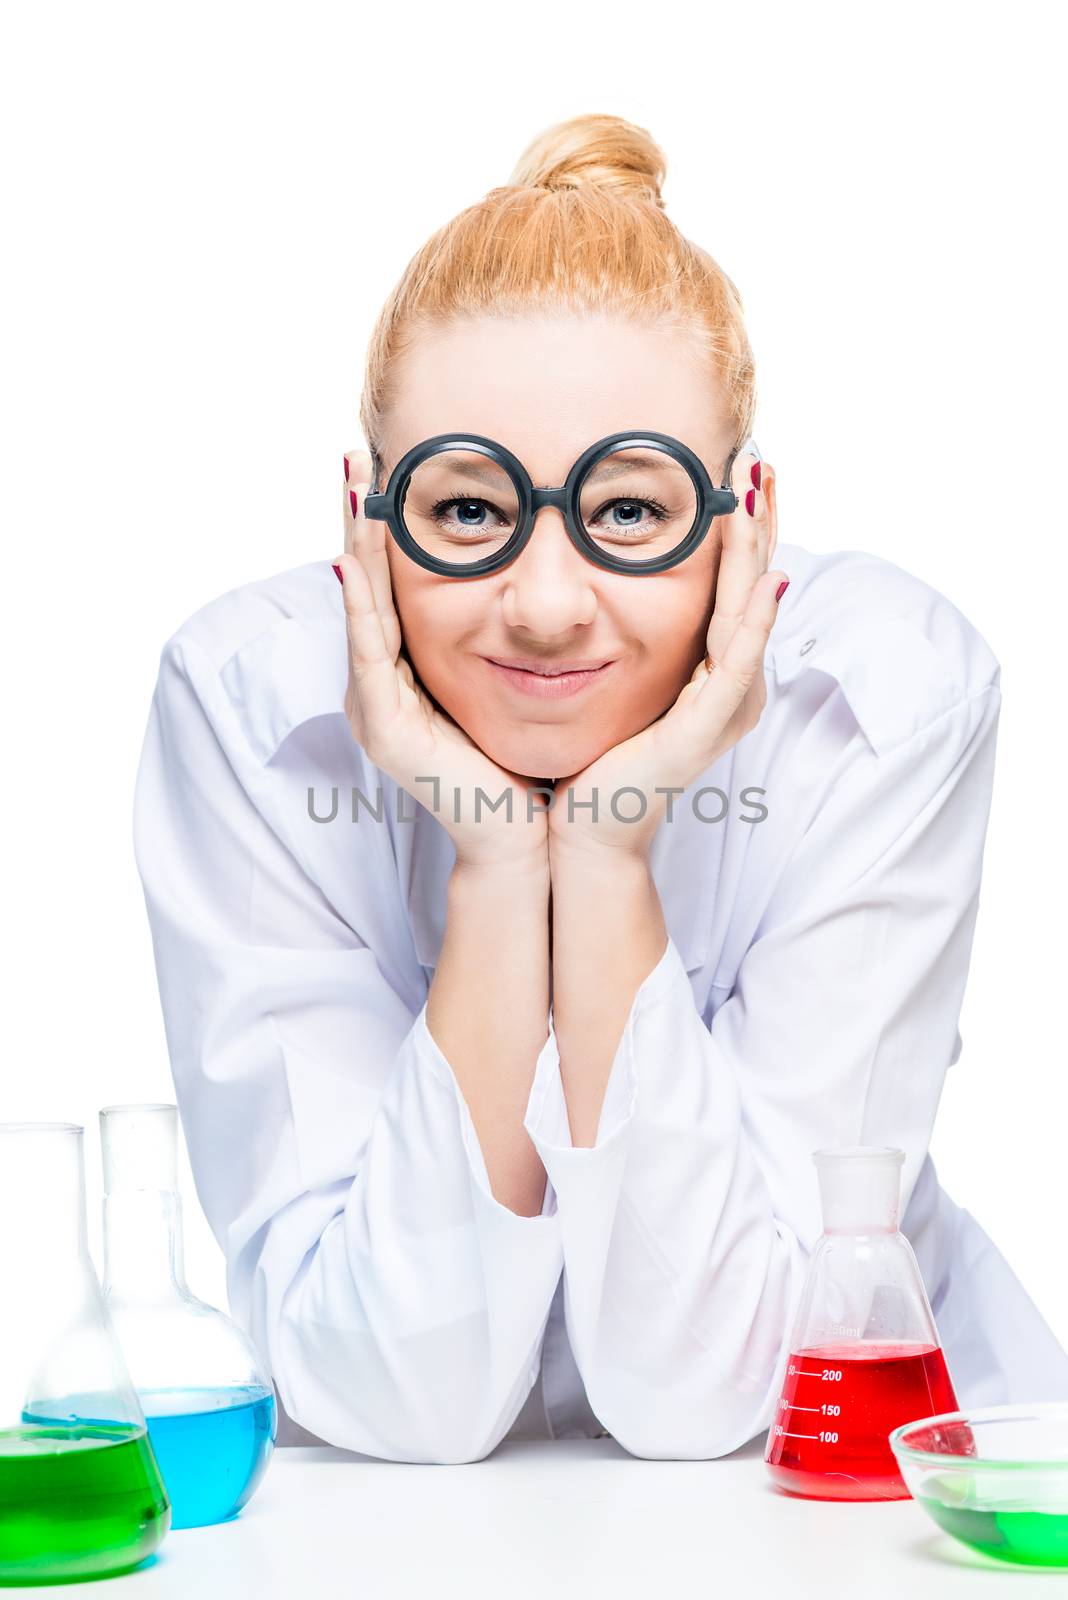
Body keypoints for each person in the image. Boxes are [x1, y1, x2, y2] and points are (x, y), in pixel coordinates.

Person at [132, 112, 1068, 1465]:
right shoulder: (249, 714)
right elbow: (395, 1393)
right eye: (466, 512)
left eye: (629, 512)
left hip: (861, 1519)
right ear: (365, 518)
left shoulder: (884, 701)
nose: (550, 605)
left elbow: (724, 1390)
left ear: (744, 519)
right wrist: (503, 865)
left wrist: (611, 857)